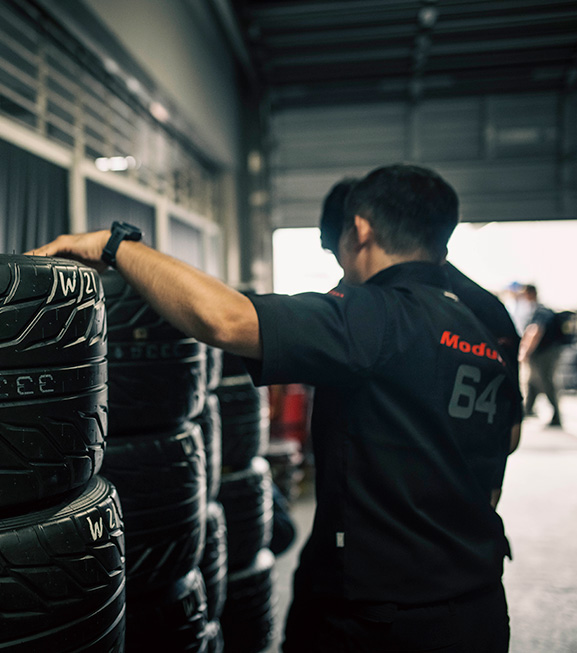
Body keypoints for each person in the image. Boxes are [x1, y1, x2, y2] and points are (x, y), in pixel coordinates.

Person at [28, 163, 519, 652]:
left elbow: (225, 319)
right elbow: (504, 446)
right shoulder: (479, 327)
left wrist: (115, 246)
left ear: (360, 229)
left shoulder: (378, 315)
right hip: (476, 605)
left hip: (382, 618)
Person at [320, 177, 523, 452]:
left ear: (360, 235)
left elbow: (508, 434)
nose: (344, 271)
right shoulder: (485, 305)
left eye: (338, 251)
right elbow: (509, 435)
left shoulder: (477, 310)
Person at [519, 284, 563, 427]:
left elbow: (535, 331)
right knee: (532, 381)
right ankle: (527, 409)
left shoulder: (540, 311)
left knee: (545, 382)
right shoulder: (539, 310)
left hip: (545, 353)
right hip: (542, 352)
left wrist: (525, 352)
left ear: (531, 294)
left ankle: (556, 416)